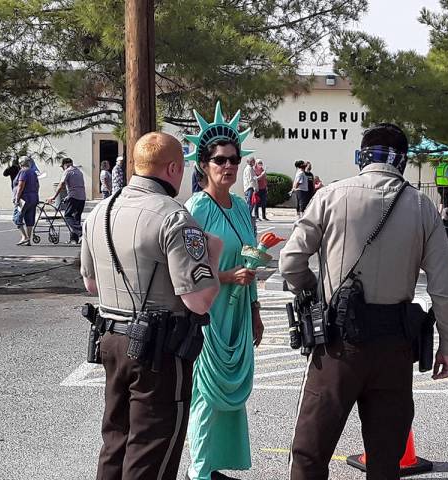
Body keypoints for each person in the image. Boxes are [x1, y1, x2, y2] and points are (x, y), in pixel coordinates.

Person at [280, 123, 448, 480]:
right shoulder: (423, 207)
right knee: (385, 460)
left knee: (310, 452)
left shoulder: (330, 196)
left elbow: (290, 262)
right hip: (394, 346)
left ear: (362, 156)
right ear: (402, 161)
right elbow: (443, 285)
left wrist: (314, 292)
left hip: (337, 343)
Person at [80, 132, 222, 480]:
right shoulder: (174, 216)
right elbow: (199, 300)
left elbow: (91, 283)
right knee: (153, 449)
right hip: (158, 348)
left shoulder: (101, 210)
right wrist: (214, 257)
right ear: (173, 168)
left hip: (111, 337)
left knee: (116, 440)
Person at [183, 104, 264, 480]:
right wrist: (228, 277)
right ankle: (198, 471)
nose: (227, 166)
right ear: (204, 164)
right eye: (219, 160)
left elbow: (248, 255)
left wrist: (256, 310)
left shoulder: (242, 207)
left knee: (229, 397)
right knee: (205, 394)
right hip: (208, 313)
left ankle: (214, 464)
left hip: (238, 312)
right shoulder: (197, 208)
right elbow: (186, 269)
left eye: (233, 159)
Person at [47, 157, 86, 244]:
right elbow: (78, 186)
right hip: (82, 197)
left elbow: (61, 185)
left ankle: (81, 232)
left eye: (62, 167)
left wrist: (53, 197)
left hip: (74, 196)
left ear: (65, 165)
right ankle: (75, 239)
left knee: (68, 216)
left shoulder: (67, 171)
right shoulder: (79, 171)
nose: (62, 168)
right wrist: (67, 196)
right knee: (76, 218)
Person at [12, 156, 39, 246]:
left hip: (24, 199)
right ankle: (28, 239)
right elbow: (37, 185)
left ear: (21, 163)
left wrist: (17, 198)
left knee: (17, 218)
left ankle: (24, 237)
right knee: (29, 218)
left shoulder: (23, 171)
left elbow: (20, 185)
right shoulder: (33, 172)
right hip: (33, 198)